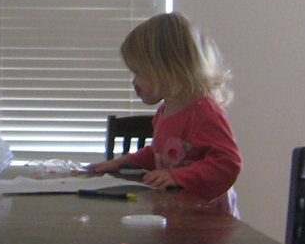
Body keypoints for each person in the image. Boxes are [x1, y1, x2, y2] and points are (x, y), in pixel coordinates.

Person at [88, 12, 241, 215]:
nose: (134, 81)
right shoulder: (165, 110)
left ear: (167, 69)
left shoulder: (204, 113)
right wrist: (123, 161)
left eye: (139, 72)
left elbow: (228, 163)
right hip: (179, 210)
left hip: (206, 216)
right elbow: (159, 152)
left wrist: (180, 177)